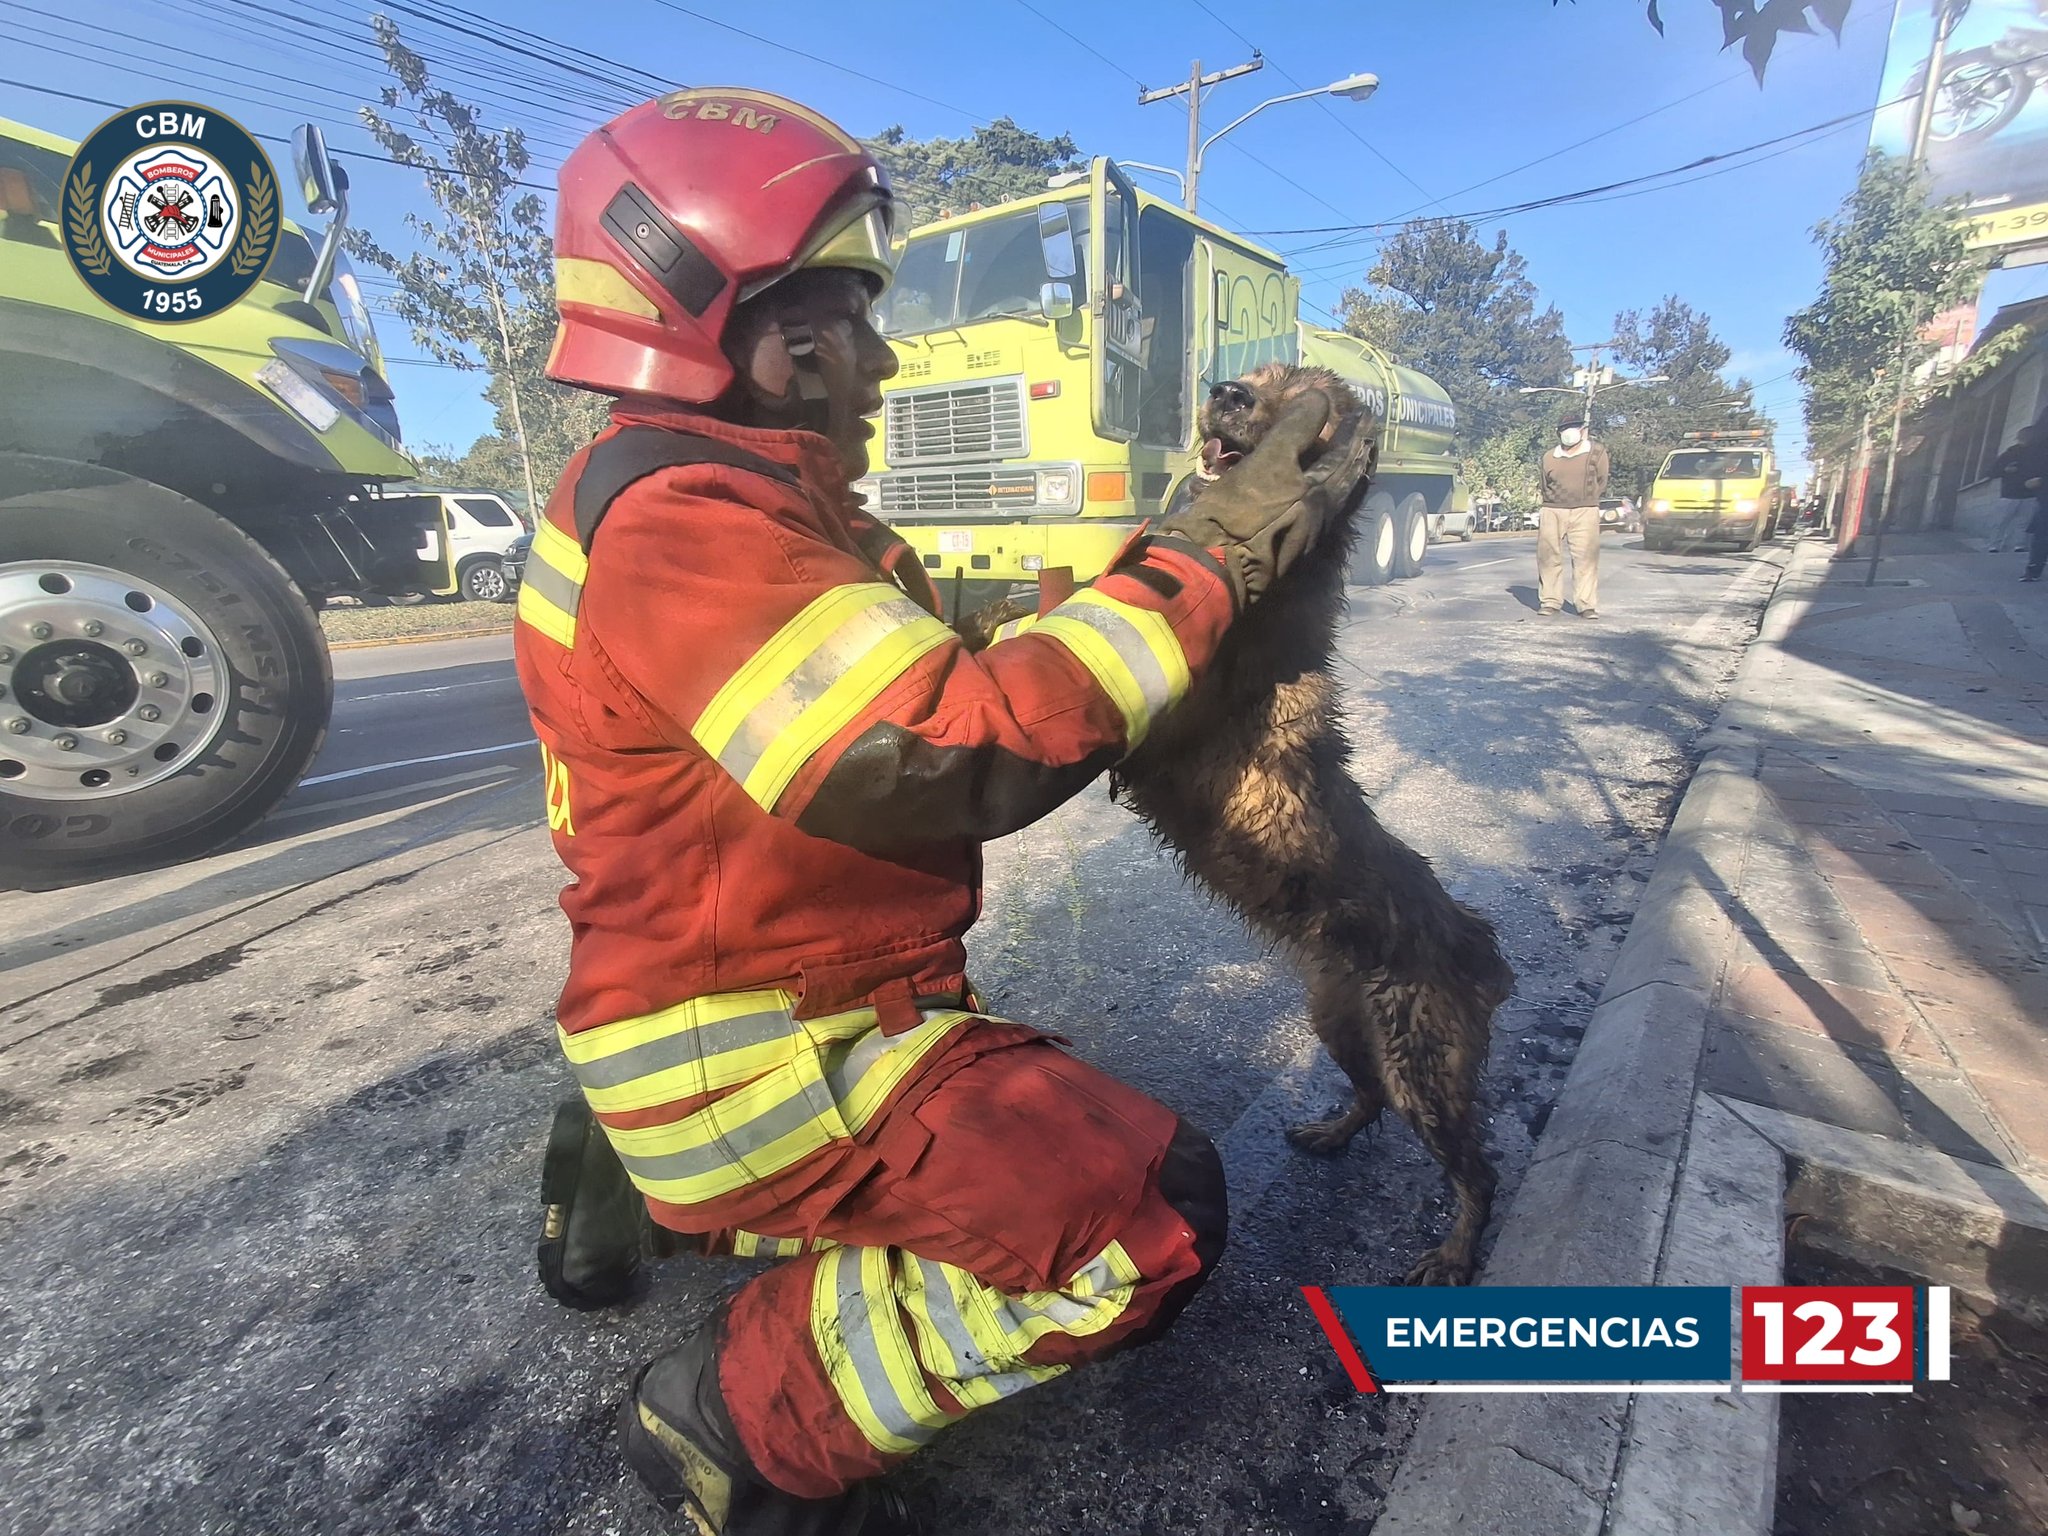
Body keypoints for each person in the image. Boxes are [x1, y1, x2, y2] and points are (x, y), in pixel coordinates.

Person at [514, 91, 1370, 1535]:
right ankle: (740, 1419)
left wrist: (1172, 539)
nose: (884, 358)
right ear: (784, 342)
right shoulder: (693, 531)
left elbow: (950, 646)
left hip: (676, 990)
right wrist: (1212, 560)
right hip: (780, 1031)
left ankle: (623, 1182)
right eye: (855, 320)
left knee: (697, 1013)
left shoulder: (693, 499)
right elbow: (952, 743)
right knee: (1143, 1215)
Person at [1535, 412, 1611, 618]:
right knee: (1548, 557)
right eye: (1564, 429)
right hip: (1552, 509)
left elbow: (1602, 480)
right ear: (1558, 433)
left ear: (1582, 430)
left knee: (1585, 558)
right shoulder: (1549, 457)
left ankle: (1586, 605)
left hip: (1585, 509)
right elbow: (1544, 484)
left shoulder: (1596, 452)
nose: (1569, 432)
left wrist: (1588, 498)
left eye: (1574, 427)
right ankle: (1550, 601)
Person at [1988, 424, 2037, 553]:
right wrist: (2006, 470)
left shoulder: (2036, 453)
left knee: (2017, 522)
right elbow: (1992, 471)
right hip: (2014, 493)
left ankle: (2015, 545)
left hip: (2025, 493)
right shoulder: (2010, 454)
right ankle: (1996, 545)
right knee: (2004, 521)